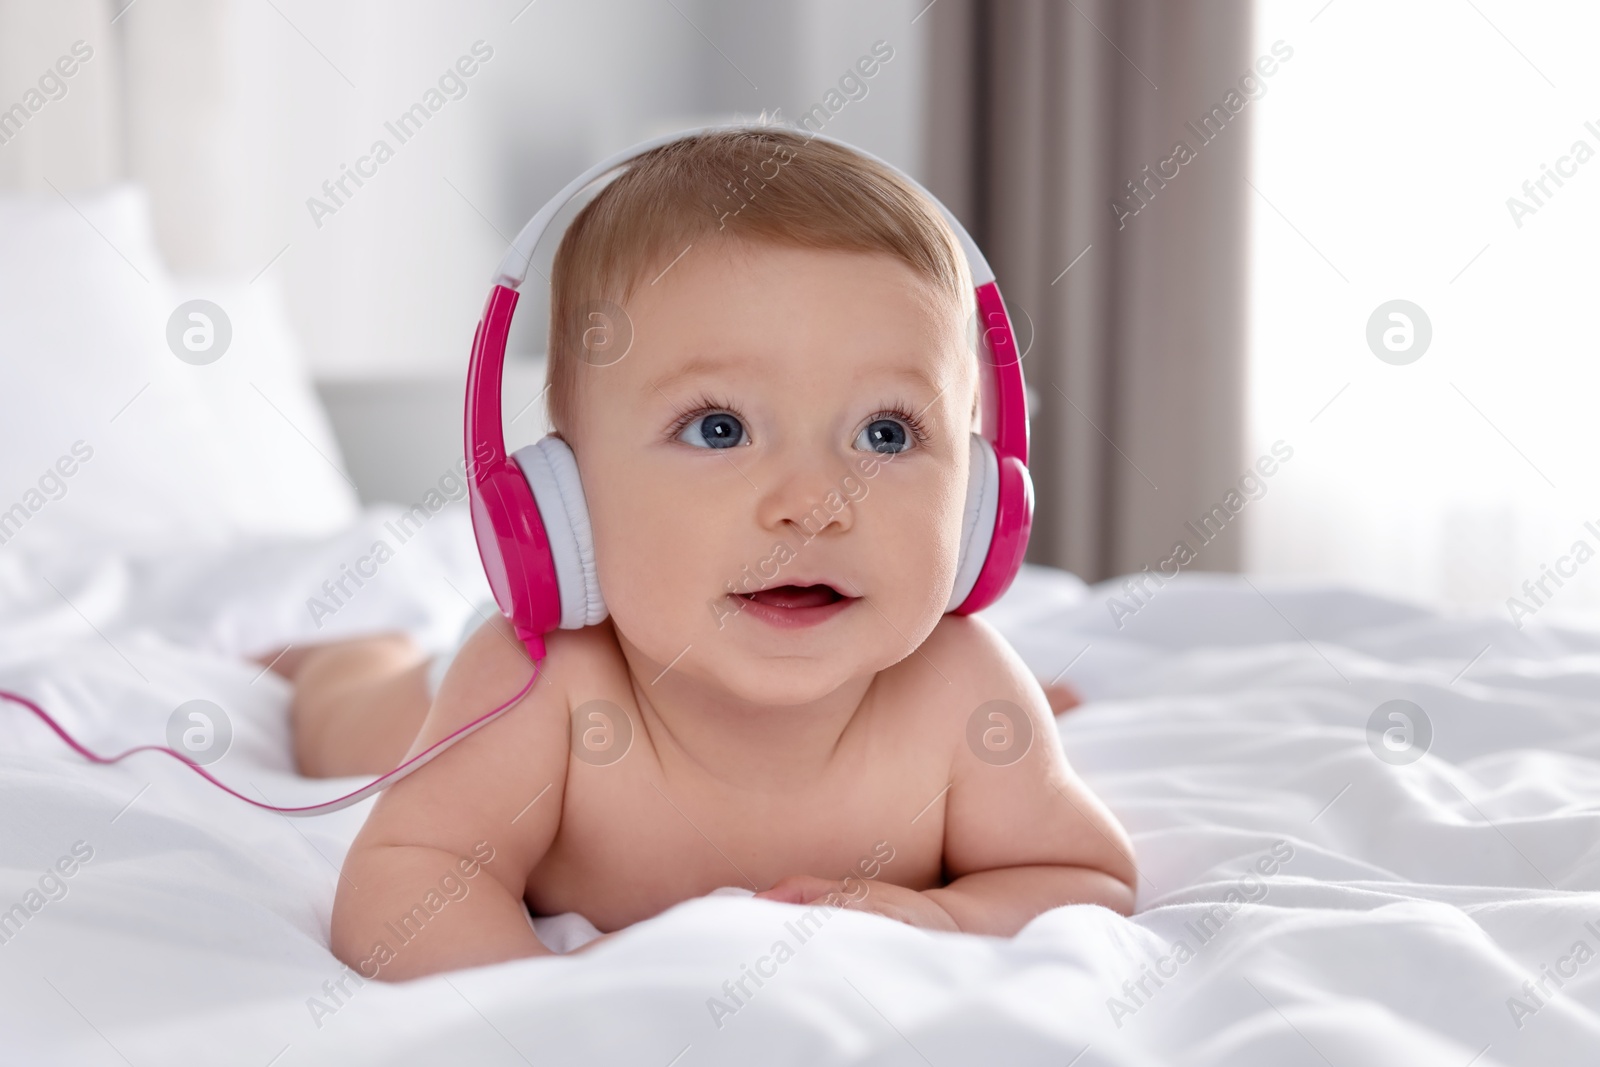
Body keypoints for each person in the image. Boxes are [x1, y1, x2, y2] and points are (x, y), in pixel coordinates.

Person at [257, 127, 1129, 980]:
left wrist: (944, 914)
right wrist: (556, 996)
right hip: (433, 699)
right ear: (567, 494)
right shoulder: (546, 684)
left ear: (980, 495)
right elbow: (404, 887)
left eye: (886, 431)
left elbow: (1085, 878)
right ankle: (351, 657)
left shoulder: (961, 689)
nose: (815, 505)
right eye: (720, 428)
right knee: (360, 721)